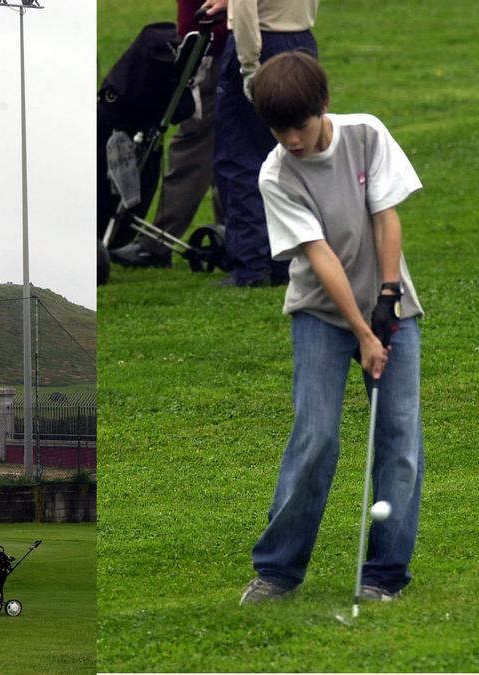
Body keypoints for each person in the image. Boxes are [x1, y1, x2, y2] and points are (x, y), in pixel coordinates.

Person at [238, 52, 424, 605]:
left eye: (299, 125)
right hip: (320, 313)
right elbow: (320, 256)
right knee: (316, 436)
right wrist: (363, 332)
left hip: (392, 307)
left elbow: (386, 216)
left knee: (399, 439)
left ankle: (384, 575)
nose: (292, 139)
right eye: (279, 130)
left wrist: (387, 298)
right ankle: (278, 571)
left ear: (324, 105)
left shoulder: (366, 134)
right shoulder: (276, 173)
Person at [110, 0, 229, 268]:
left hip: (213, 49)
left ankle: (156, 244)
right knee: (229, 148)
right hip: (215, 46)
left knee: (192, 149)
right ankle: (238, 238)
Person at [213, 0, 318, 286]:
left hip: (262, 42)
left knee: (241, 156)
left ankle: (252, 266)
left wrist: (248, 67)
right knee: (294, 154)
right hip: (301, 41)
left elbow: (246, 7)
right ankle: (288, 259)